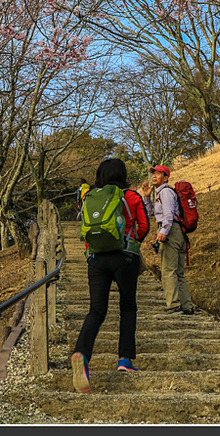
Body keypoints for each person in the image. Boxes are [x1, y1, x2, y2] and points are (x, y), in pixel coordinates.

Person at [71, 158, 149, 393]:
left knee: (96, 310)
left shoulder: (90, 197)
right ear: (122, 174)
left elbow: (84, 230)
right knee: (127, 307)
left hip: (96, 258)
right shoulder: (132, 197)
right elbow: (143, 227)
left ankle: (82, 354)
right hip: (125, 256)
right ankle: (125, 360)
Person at [140, 164, 194, 316]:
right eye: (153, 173)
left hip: (171, 231)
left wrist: (163, 231)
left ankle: (174, 305)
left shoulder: (165, 192)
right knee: (178, 272)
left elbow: (168, 215)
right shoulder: (160, 193)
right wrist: (147, 197)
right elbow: (152, 213)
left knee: (168, 270)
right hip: (177, 232)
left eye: (158, 173)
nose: (154, 176)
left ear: (166, 177)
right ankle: (187, 306)